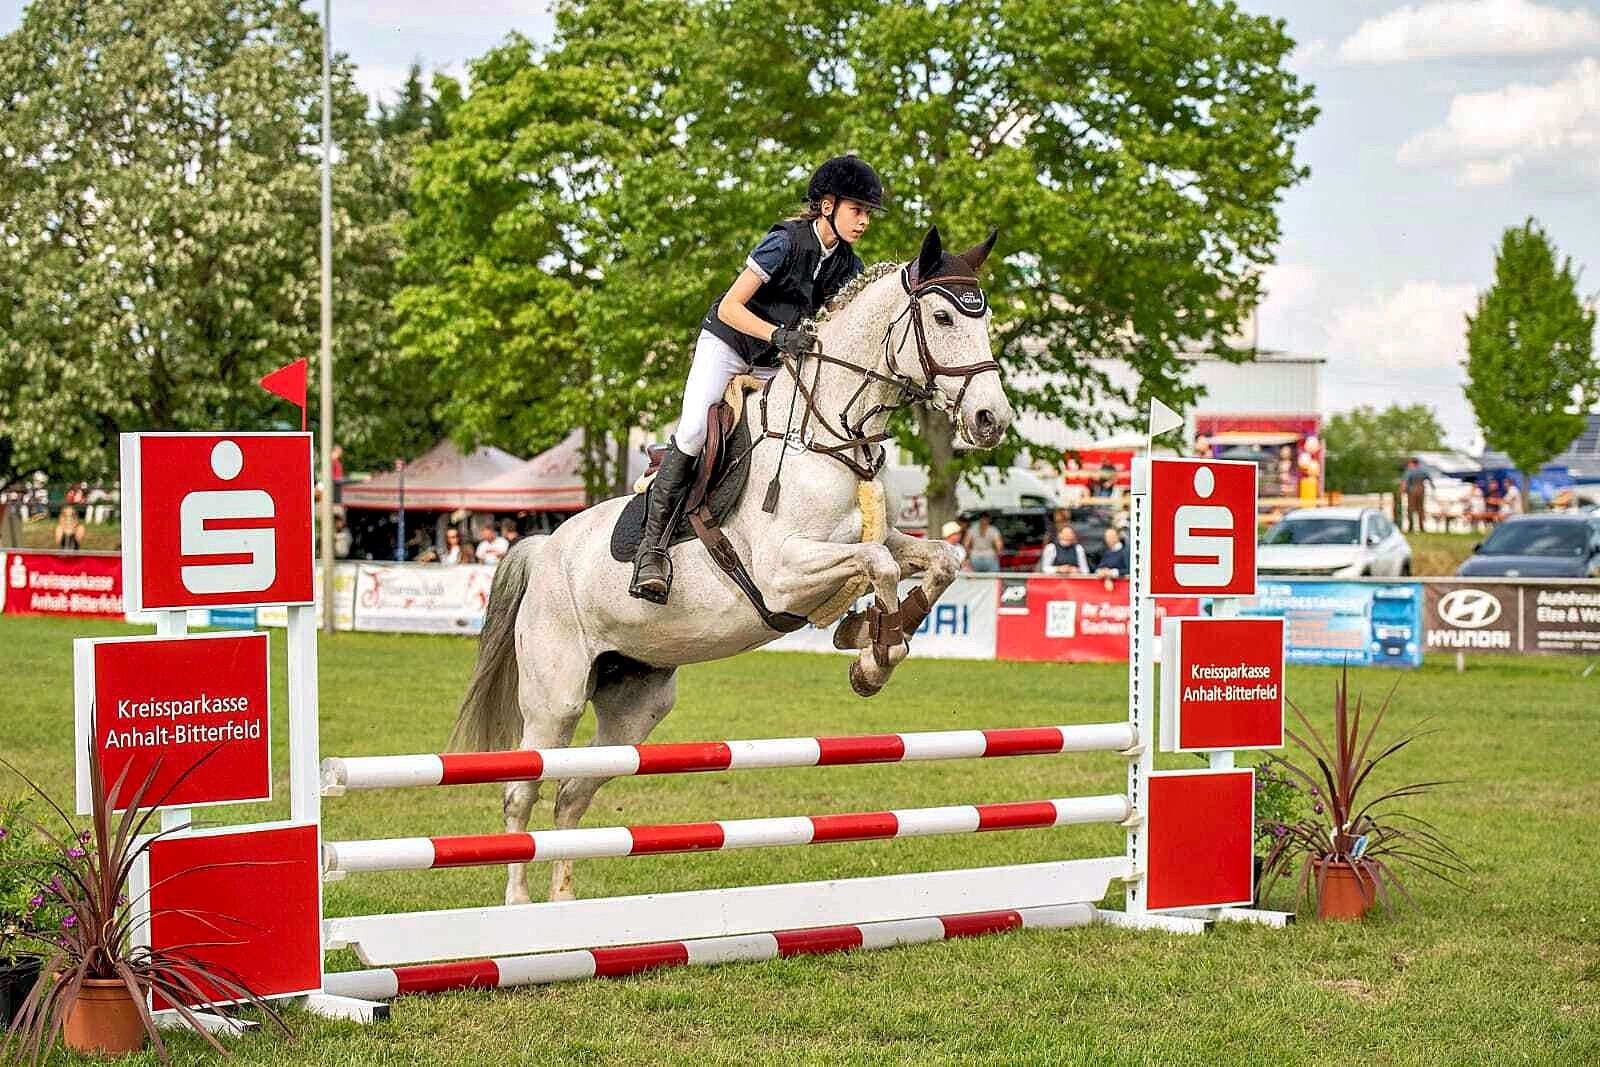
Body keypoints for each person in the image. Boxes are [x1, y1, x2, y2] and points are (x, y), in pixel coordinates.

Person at [630, 155, 886, 604]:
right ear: (827, 206)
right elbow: (731, 307)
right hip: (728, 346)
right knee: (692, 431)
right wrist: (778, 334)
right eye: (857, 210)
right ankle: (651, 551)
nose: (863, 221)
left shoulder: (848, 264)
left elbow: (841, 322)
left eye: (867, 214)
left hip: (774, 359)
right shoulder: (783, 243)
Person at [1401, 458, 1432, 533]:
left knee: (1411, 509)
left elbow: (1405, 482)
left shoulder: (1409, 471)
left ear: (1412, 463)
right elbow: (1430, 479)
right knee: (1421, 509)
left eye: (1409, 463)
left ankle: (1410, 527)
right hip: (1421, 490)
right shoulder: (1423, 470)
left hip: (1412, 491)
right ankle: (1422, 528)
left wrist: (1402, 491)